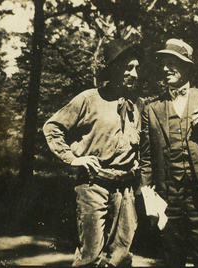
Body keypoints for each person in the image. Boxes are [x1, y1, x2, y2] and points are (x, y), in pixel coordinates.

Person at [43, 39, 143, 267]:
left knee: (121, 256)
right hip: (93, 185)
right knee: (90, 255)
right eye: (129, 68)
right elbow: (52, 127)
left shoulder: (136, 104)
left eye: (137, 68)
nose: (135, 74)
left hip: (125, 189)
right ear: (115, 69)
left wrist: (136, 162)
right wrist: (73, 158)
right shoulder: (89, 99)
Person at [139, 38, 198, 267]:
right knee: (172, 258)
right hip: (169, 197)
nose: (165, 68)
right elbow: (147, 158)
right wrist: (147, 196)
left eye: (173, 62)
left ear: (188, 67)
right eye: (164, 62)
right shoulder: (152, 109)